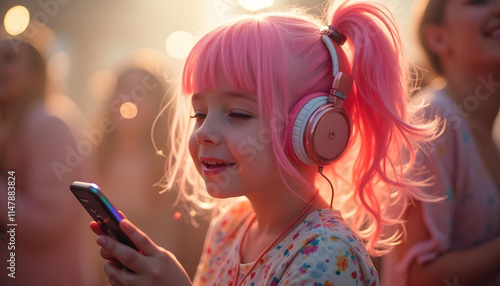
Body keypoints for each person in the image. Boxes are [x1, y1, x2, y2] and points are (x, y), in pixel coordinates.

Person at [90, 1, 440, 285]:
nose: (203, 133)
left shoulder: (329, 255)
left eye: (238, 114)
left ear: (315, 128)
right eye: (199, 113)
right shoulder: (231, 226)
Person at [381, 0, 500, 285]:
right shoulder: (431, 122)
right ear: (438, 38)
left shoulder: (489, 134)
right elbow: (416, 276)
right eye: (478, 1)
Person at [94, 67, 208, 282]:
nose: (129, 100)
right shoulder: (94, 159)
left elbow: (192, 245)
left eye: (140, 92)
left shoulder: (174, 169)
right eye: (122, 90)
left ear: (158, 106)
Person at [0, 39, 98, 285]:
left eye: (9, 60)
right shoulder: (15, 124)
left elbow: (47, 222)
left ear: (36, 75)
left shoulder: (49, 123)